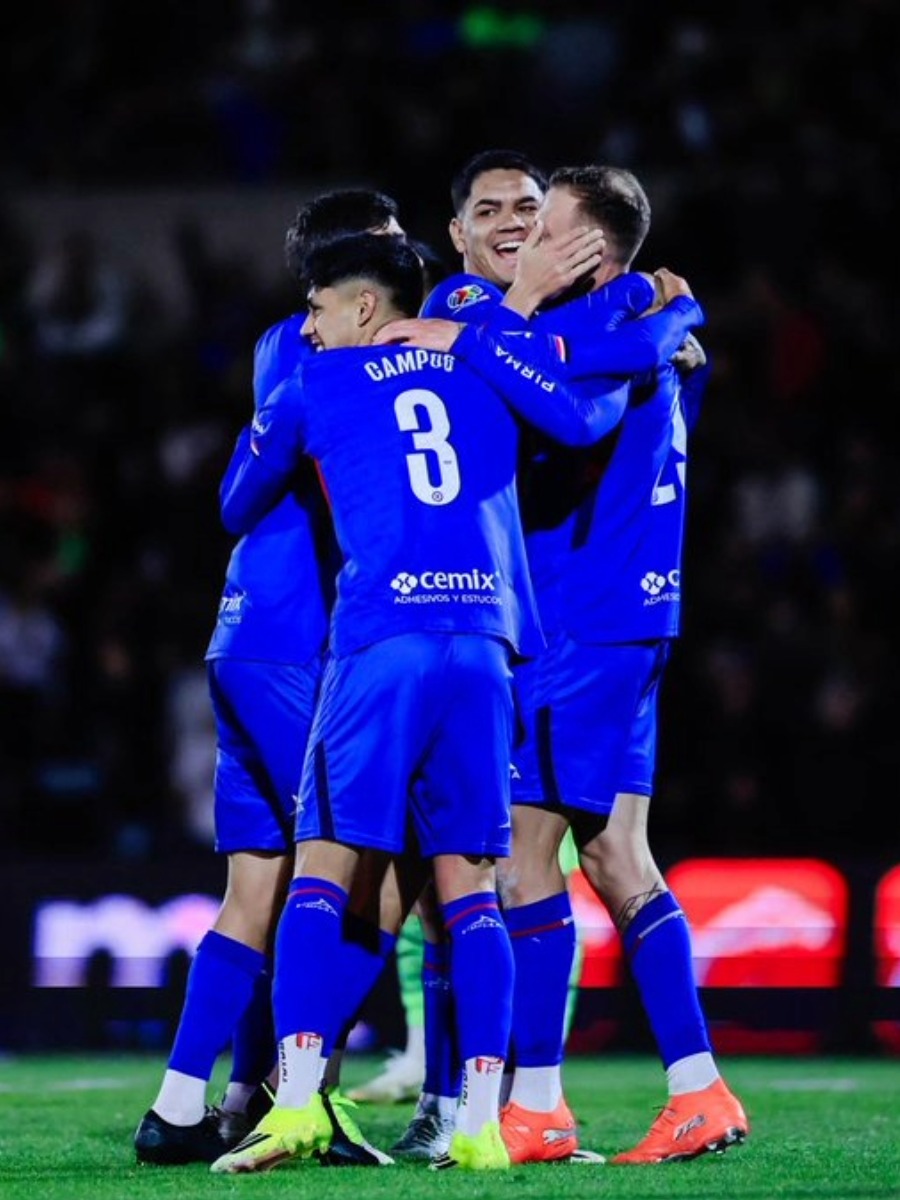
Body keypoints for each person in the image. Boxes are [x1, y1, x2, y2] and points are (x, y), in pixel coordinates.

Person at [206, 231, 668, 1175]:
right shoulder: (487, 368)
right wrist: (653, 303)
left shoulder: (316, 380)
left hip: (382, 641)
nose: (310, 326)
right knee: (472, 892)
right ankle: (479, 1122)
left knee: (321, 873)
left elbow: (236, 500)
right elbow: (579, 418)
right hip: (488, 649)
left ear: (365, 308)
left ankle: (294, 1106)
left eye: (320, 308)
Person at [411, 162, 749, 1165]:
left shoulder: (586, 324)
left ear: (592, 244)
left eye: (541, 216)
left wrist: (501, 335)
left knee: (524, 858)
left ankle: (539, 1104)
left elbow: (577, 415)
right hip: (616, 619)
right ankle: (693, 1088)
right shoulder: (512, 304)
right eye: (502, 214)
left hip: (579, 623)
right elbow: (599, 377)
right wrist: (651, 315)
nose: (524, 232)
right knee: (613, 857)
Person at [133, 188, 408, 1168]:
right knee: (372, 880)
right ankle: (303, 1098)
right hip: (305, 640)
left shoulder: (281, 343)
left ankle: (186, 1104)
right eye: (387, 248)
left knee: (257, 886)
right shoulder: (342, 351)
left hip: (245, 633)